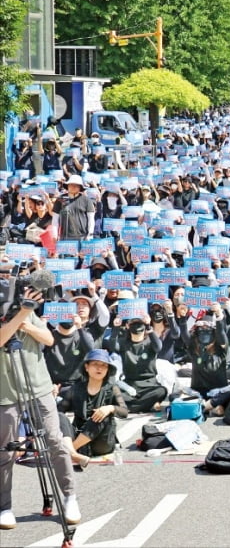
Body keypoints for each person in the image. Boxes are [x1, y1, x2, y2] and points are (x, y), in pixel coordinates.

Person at [0, 288, 79, 528]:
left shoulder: (22, 309)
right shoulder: (20, 310)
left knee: (55, 441)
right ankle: (4, 507)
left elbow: (48, 339)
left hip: (39, 387)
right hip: (5, 393)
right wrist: (20, 315)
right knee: (5, 451)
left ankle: (69, 496)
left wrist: (25, 321)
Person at [62, 349, 127, 465]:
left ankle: (71, 450)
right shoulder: (75, 389)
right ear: (86, 367)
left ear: (107, 370)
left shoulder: (112, 388)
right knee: (59, 417)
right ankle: (73, 452)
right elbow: (58, 411)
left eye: (104, 365)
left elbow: (124, 412)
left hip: (102, 443)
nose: (100, 368)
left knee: (102, 415)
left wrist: (110, 408)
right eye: (95, 364)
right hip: (78, 434)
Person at [54, 174, 94, 241]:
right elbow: (55, 219)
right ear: (67, 186)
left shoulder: (86, 200)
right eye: (71, 184)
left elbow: (91, 219)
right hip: (64, 237)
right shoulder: (60, 199)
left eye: (76, 185)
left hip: (82, 237)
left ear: (80, 187)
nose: (73, 187)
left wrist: (90, 234)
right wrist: (55, 234)